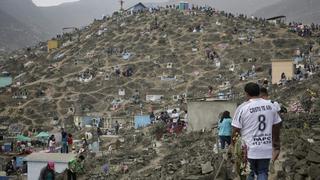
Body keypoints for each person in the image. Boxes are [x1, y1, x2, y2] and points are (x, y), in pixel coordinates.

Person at [231, 83, 281, 180]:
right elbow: (277, 126)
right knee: (263, 172)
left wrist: (233, 146)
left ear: (246, 93)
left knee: (249, 173)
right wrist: (276, 145)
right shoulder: (271, 106)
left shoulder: (242, 108)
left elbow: (236, 130)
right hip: (266, 147)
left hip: (248, 150)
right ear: (259, 92)